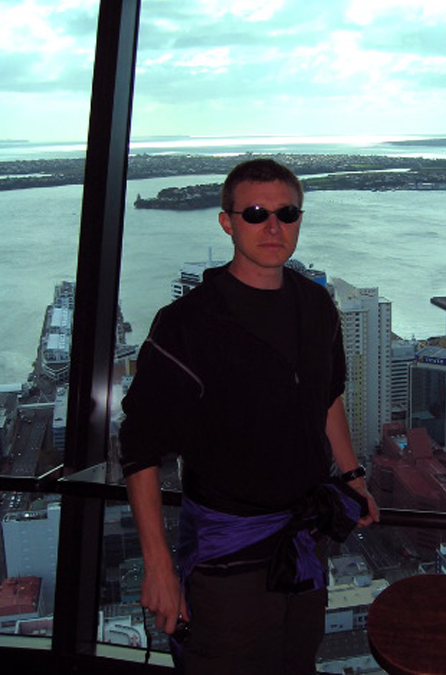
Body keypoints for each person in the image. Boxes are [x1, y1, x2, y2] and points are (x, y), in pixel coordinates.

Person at [119, 158, 379, 675]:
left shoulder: (316, 305)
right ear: (227, 222)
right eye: (256, 213)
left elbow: (327, 396)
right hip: (227, 551)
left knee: (297, 661)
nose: (273, 227)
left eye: (287, 213)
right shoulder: (188, 323)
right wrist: (159, 567)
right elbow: (139, 445)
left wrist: (353, 477)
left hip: (306, 536)